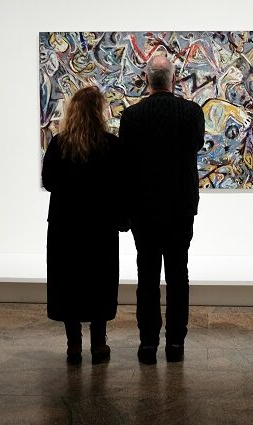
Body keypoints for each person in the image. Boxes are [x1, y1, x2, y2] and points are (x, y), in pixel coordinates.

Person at [118, 55, 205, 365]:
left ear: (146, 79)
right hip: (180, 207)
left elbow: (126, 164)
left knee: (147, 276)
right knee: (178, 274)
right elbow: (195, 145)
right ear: (173, 79)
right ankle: (176, 343)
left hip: (144, 209)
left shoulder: (131, 116)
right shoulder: (192, 112)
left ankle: (148, 343)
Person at [42, 86, 127, 365]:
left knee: (68, 282)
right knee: (99, 281)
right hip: (99, 226)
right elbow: (121, 186)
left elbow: (50, 182)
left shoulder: (59, 144)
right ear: (98, 112)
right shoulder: (110, 145)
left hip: (65, 226)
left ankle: (73, 345)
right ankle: (99, 343)